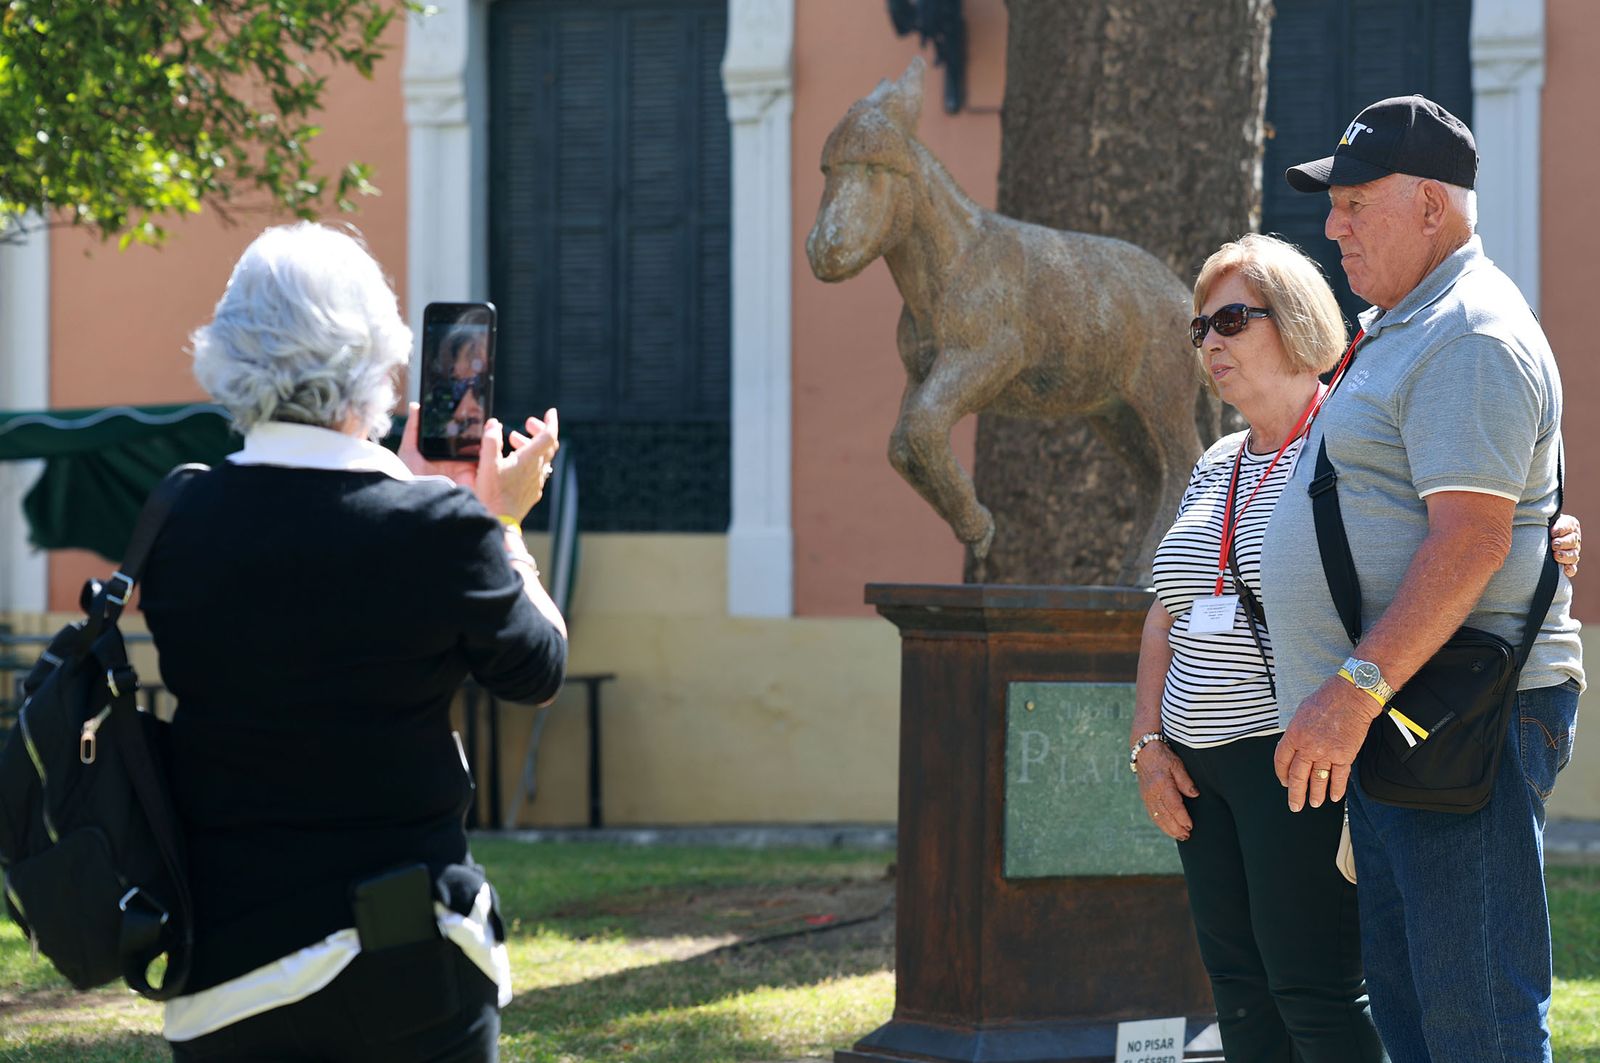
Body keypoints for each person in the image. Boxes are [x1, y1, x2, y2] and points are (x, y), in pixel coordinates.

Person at [139, 222, 568, 1062]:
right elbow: (537, 667)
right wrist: (502, 520)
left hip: (223, 971)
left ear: (229, 351)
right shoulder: (439, 530)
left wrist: (420, 494)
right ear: (377, 357)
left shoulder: (177, 519)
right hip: (406, 962)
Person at [1264, 96, 1584, 1063]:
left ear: (1433, 206)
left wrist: (1354, 690)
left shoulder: (1468, 334)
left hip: (1450, 716)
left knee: (1472, 1022)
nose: (1334, 226)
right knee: (1416, 1023)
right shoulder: (1408, 325)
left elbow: (1472, 541)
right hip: (1411, 717)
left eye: (1358, 202)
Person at [1131, 233, 1387, 1062]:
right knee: (1239, 999)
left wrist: (1552, 536)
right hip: (1197, 772)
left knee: (1313, 992)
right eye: (1199, 328)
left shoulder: (1347, 444)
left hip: (1295, 762)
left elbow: (1435, 550)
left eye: (1231, 320)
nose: (1210, 343)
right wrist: (1148, 742)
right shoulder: (1217, 461)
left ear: (1297, 319)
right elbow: (1169, 609)